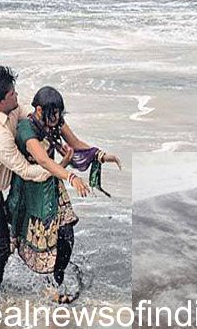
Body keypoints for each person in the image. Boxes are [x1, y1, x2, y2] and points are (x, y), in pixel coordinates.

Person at [0, 68, 89, 302]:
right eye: (12, 93)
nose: (17, 95)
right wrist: (63, 168)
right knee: (0, 246)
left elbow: (33, 119)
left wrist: (60, 138)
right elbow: (27, 170)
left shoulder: (11, 110)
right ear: (0, 101)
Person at [7, 86, 121, 303]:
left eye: (59, 113)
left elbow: (75, 144)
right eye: (53, 113)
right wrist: (71, 177)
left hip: (52, 186)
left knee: (66, 235)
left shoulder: (55, 122)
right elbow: (43, 160)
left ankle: (56, 282)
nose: (57, 118)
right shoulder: (26, 129)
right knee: (33, 240)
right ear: (39, 110)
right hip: (31, 189)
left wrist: (102, 156)